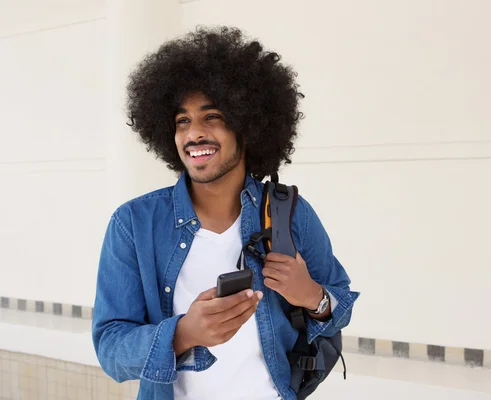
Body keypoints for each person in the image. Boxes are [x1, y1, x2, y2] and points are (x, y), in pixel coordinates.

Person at [92, 26, 359, 400]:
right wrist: (185, 333)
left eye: (211, 116)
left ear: (247, 126)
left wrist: (312, 295)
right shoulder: (134, 224)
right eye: (182, 120)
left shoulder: (289, 212)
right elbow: (110, 348)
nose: (194, 134)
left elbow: (339, 307)